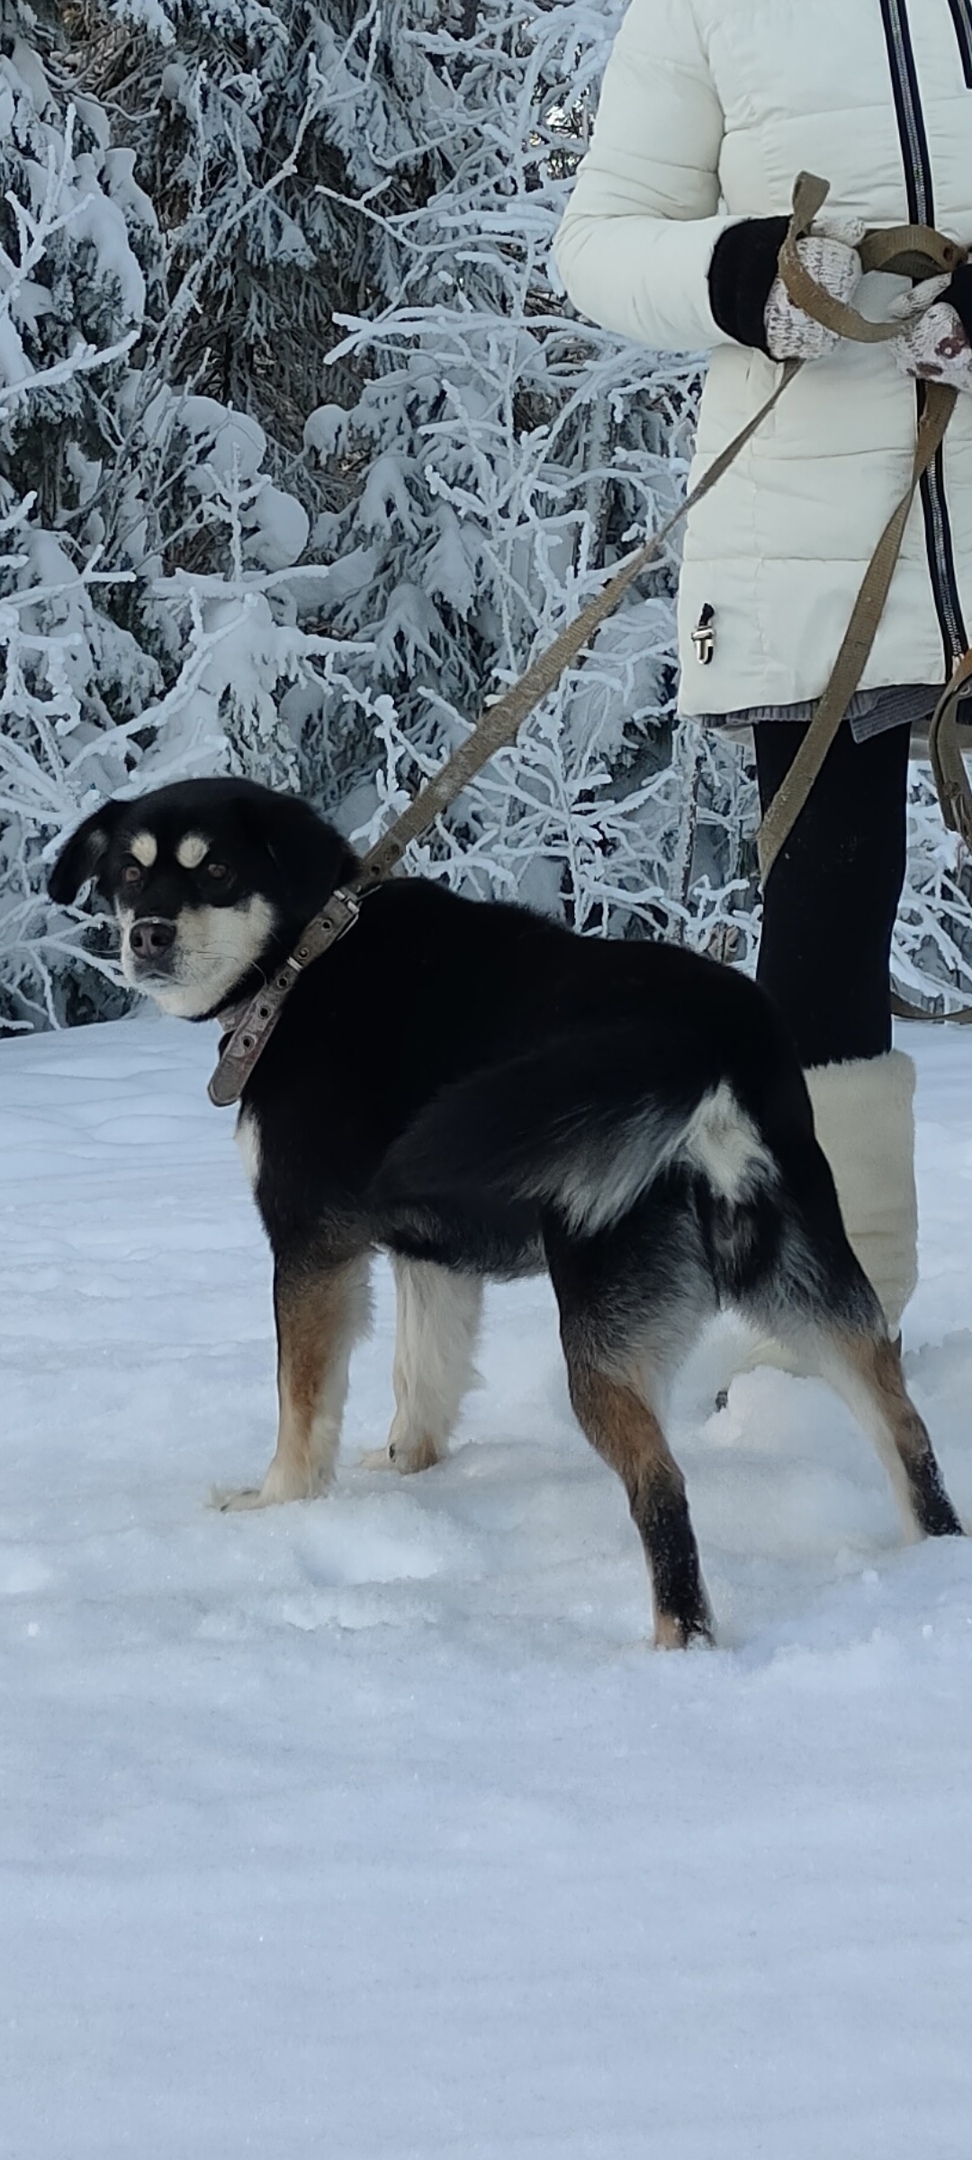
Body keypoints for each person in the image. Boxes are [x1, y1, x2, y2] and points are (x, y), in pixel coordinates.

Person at [554, 0, 972, 1343]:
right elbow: (600, 240)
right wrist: (739, 276)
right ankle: (830, 1334)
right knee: (826, 937)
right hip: (809, 538)